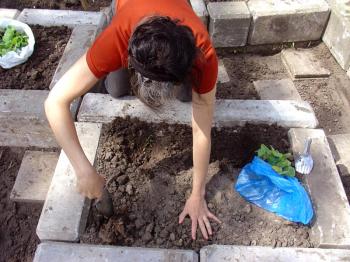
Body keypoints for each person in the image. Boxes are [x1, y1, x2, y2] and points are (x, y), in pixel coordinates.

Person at [45, 0, 220, 241]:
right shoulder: (116, 39)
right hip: (128, 10)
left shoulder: (203, 53)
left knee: (189, 96)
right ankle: (99, 77)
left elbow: (202, 130)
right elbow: (54, 102)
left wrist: (197, 194)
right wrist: (83, 170)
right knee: (116, 89)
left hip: (175, 17)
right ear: (130, 62)